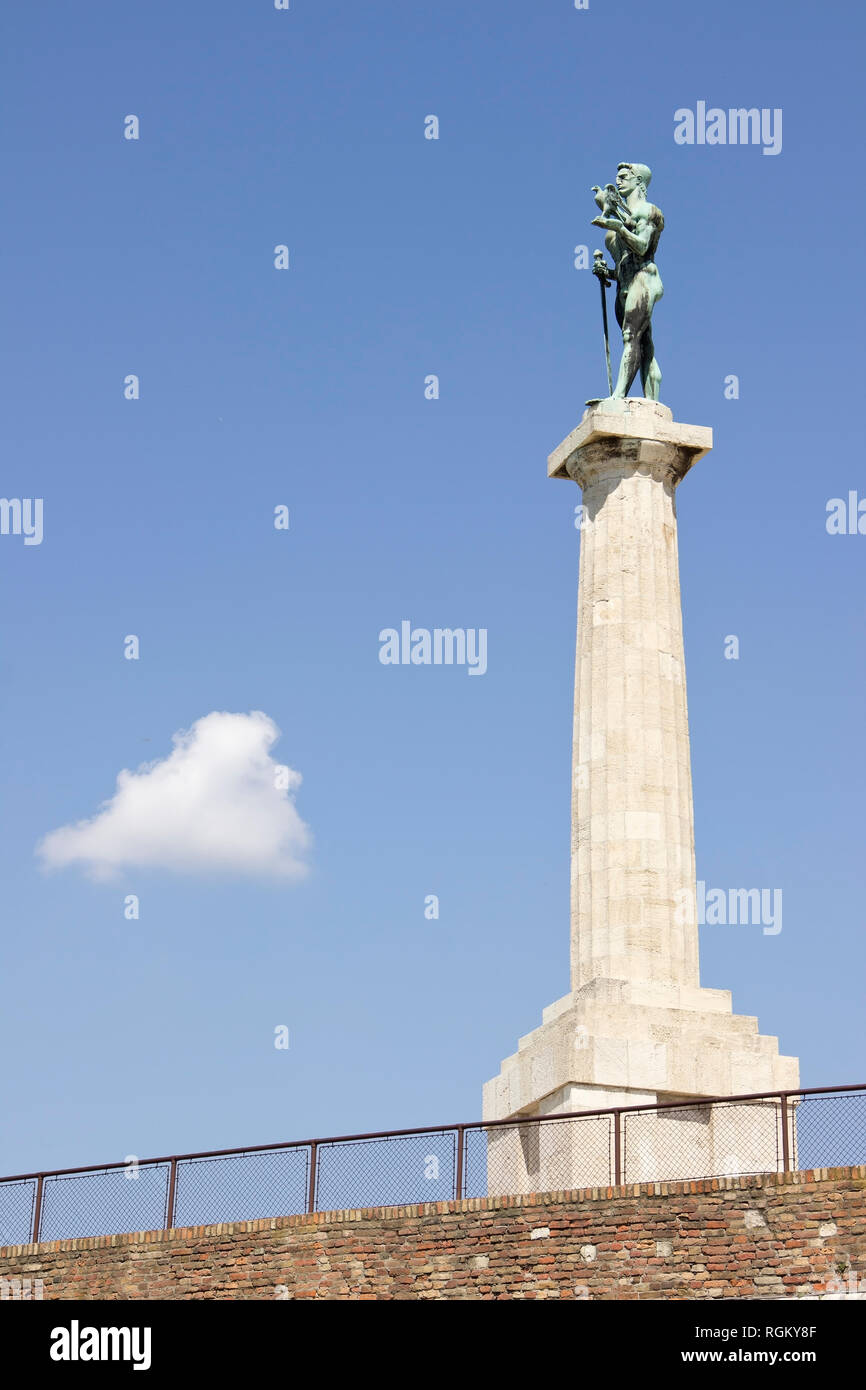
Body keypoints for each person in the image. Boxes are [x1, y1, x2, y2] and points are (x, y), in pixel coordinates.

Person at [591, 163, 664, 400]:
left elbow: (642, 247)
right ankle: (652, 404)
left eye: (624, 177)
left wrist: (619, 228)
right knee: (643, 344)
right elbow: (624, 263)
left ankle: (618, 396)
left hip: (644, 279)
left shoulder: (648, 211)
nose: (618, 181)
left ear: (639, 182)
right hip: (624, 284)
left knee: (630, 336)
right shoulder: (622, 215)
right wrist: (607, 273)